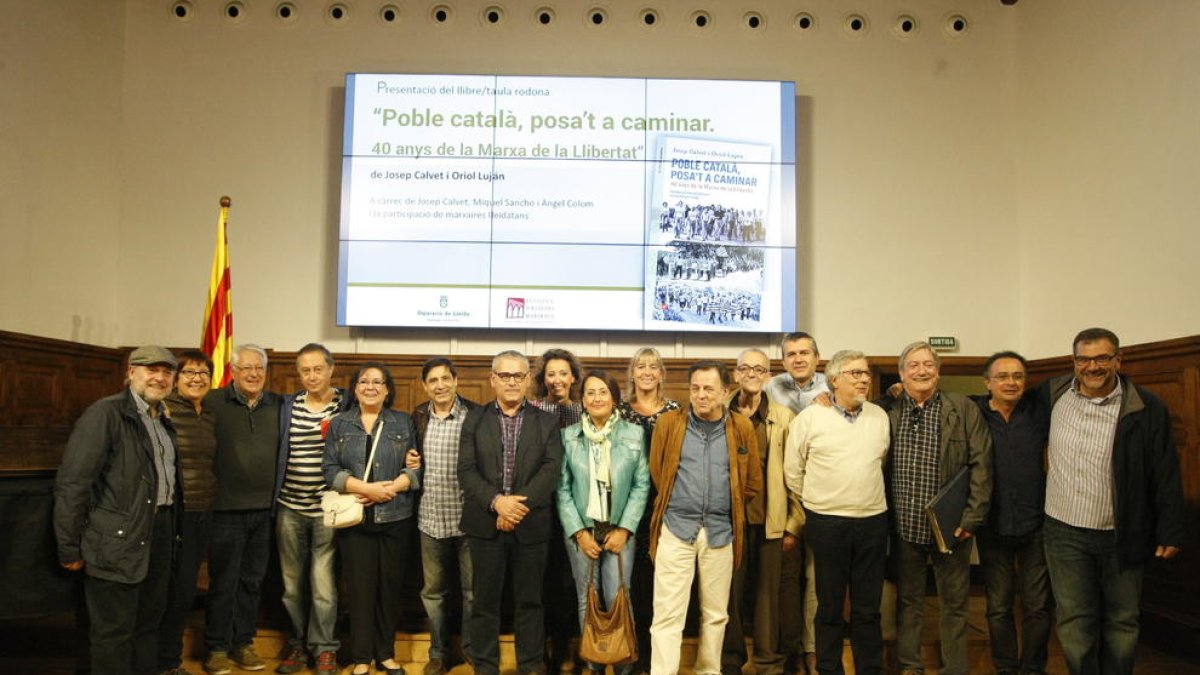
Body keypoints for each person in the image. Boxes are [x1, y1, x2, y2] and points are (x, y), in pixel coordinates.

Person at [1041, 328, 1186, 675]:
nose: (1093, 366)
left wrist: (1171, 528)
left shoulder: (1146, 406)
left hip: (1122, 532)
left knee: (1122, 620)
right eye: (1084, 359)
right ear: (1073, 362)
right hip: (1063, 532)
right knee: (1074, 621)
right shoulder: (1052, 394)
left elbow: (1165, 470)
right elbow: (1004, 402)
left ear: (1118, 360)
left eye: (1102, 358)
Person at [54, 346, 181, 675]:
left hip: (159, 534)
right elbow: (73, 484)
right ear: (131, 372)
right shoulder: (105, 414)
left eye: (167, 372)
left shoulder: (163, 418)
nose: (160, 377)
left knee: (147, 626)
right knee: (113, 634)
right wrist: (68, 545)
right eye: (151, 369)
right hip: (115, 541)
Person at [647, 360, 763, 675]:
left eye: (709, 389)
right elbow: (658, 472)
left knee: (715, 614)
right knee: (667, 614)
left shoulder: (741, 427)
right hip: (676, 528)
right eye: (695, 388)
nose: (701, 395)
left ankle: (708, 670)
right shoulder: (669, 424)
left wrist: (725, 503)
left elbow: (752, 482)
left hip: (720, 531)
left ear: (725, 392)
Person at [887, 341, 992, 675]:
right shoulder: (888, 412)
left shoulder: (962, 409)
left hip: (952, 528)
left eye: (928, 365)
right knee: (909, 602)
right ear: (901, 374)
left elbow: (982, 466)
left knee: (955, 604)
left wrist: (972, 518)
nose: (922, 371)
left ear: (938, 371)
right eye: (914, 365)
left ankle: (955, 669)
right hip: (905, 527)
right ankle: (910, 666)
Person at [458, 350, 565, 675]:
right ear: (493, 379)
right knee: (484, 603)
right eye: (505, 375)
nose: (512, 382)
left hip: (530, 525)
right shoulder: (474, 419)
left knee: (530, 601)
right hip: (485, 524)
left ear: (528, 379)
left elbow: (551, 469)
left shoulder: (546, 421)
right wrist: (497, 503)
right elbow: (466, 470)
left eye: (518, 375)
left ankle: (530, 665)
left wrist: (516, 507)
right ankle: (485, 666)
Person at [784, 350, 890, 675]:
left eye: (866, 373)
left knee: (868, 608)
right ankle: (829, 669)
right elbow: (793, 471)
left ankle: (869, 669)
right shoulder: (810, 418)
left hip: (872, 521)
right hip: (827, 522)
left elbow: (879, 461)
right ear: (834, 380)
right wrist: (820, 500)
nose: (864, 379)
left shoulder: (879, 416)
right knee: (829, 606)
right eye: (855, 373)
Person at [322, 362, 422, 675]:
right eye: (364, 381)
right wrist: (365, 489)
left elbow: (415, 468)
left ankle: (386, 654)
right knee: (360, 590)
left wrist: (389, 489)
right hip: (355, 519)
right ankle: (362, 657)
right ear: (355, 389)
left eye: (378, 382)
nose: (371, 387)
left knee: (390, 589)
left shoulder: (403, 422)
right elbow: (330, 470)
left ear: (387, 390)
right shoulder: (339, 424)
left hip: (396, 516)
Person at [557, 370, 651, 675]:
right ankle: (594, 665)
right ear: (582, 400)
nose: (596, 398)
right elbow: (562, 489)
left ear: (614, 398)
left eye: (603, 392)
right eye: (590, 393)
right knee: (588, 599)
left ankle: (624, 667)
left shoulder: (633, 434)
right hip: (582, 533)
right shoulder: (569, 436)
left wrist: (625, 529)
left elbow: (641, 484)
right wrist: (579, 532)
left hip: (619, 532)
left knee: (618, 597)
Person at [720, 348, 800, 675]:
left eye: (759, 369)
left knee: (769, 599)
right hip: (729, 523)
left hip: (771, 520)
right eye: (745, 368)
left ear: (768, 376)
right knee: (730, 596)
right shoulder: (720, 412)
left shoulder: (784, 417)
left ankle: (768, 663)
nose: (751, 374)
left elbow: (796, 474)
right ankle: (730, 662)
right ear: (735, 374)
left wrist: (794, 523)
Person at [203, 344, 283, 675]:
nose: (253, 374)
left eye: (259, 368)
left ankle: (243, 643)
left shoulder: (279, 405)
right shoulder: (212, 402)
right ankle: (217, 648)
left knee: (252, 582)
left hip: (265, 512)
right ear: (233, 371)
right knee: (224, 582)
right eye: (246, 367)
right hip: (224, 511)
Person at [972, 351, 1051, 675]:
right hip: (993, 526)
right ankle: (1005, 667)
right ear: (987, 382)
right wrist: (893, 392)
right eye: (1002, 376)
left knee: (1037, 606)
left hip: (1036, 525)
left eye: (1018, 376)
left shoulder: (1039, 411)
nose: (1011, 382)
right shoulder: (973, 411)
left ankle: (1033, 668)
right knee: (998, 606)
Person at [273, 343, 347, 674]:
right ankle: (298, 645)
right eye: (305, 370)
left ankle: (325, 648)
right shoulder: (288, 406)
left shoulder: (346, 404)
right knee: (291, 586)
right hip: (289, 506)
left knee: (323, 585)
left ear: (331, 369)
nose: (312, 376)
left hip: (327, 510)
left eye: (318, 369)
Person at [764, 332, 829, 675]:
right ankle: (789, 650)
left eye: (805, 353)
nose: (799, 359)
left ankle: (812, 649)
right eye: (791, 354)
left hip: (821, 498)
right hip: (785, 498)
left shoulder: (834, 386)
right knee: (786, 581)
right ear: (783, 360)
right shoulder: (770, 387)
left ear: (817, 357)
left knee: (816, 579)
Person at [413, 357, 479, 675]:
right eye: (433, 380)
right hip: (430, 518)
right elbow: (411, 460)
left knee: (472, 592)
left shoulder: (475, 415)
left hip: (468, 519)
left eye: (445, 379)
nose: (440, 385)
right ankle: (438, 653)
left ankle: (471, 649)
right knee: (433, 593)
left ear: (456, 380)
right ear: (425, 386)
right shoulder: (418, 416)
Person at [617, 347, 680, 674]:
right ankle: (635, 654)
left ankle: (659, 659)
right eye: (640, 366)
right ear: (632, 373)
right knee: (632, 584)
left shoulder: (674, 411)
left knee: (661, 585)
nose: (646, 372)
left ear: (660, 374)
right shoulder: (619, 412)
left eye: (652, 366)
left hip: (664, 507)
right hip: (627, 509)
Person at [157, 350, 218, 675]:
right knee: (168, 592)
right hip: (172, 515)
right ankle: (161, 662)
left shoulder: (207, 415)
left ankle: (168, 661)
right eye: (189, 373)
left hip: (201, 513)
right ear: (176, 379)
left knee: (184, 592)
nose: (197, 379)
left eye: (203, 373)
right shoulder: (163, 410)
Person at [529, 347, 585, 673]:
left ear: (573, 377)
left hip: (577, 507)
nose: (557, 379)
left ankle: (572, 649)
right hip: (542, 506)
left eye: (563, 373)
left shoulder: (582, 410)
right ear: (543, 378)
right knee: (543, 583)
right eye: (551, 374)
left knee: (570, 583)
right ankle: (548, 649)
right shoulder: (534, 409)